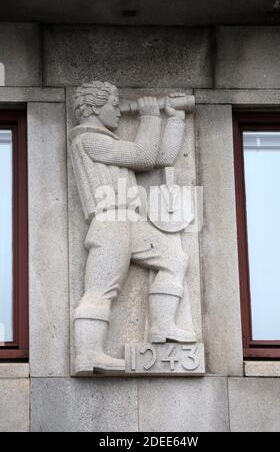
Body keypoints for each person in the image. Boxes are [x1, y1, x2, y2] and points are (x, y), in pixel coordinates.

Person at [70, 81, 196, 374]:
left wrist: (174, 118)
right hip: (110, 220)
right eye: (113, 105)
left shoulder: (109, 141)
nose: (117, 111)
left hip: (130, 219)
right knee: (102, 289)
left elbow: (161, 158)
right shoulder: (89, 139)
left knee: (175, 258)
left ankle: (162, 328)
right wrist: (150, 115)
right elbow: (143, 156)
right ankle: (88, 354)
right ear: (93, 108)